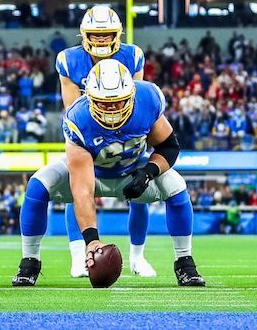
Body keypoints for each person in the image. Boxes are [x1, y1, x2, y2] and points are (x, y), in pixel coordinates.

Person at [14, 60, 205, 288]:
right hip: (93, 174)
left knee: (177, 187)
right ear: (90, 98)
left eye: (119, 102)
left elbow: (168, 147)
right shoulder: (79, 118)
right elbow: (83, 190)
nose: (112, 109)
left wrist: (147, 173)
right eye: (105, 103)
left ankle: (185, 263)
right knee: (38, 185)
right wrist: (92, 241)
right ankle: (29, 263)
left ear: (131, 94)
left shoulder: (148, 98)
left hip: (132, 170)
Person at [52, 5, 156, 278]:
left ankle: (137, 256)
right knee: (77, 190)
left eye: (107, 34)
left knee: (140, 191)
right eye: (95, 35)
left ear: (118, 34)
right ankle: (79, 254)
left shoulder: (132, 55)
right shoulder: (68, 59)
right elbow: (73, 108)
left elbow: (134, 98)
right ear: (84, 35)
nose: (100, 40)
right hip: (87, 131)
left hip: (125, 131)